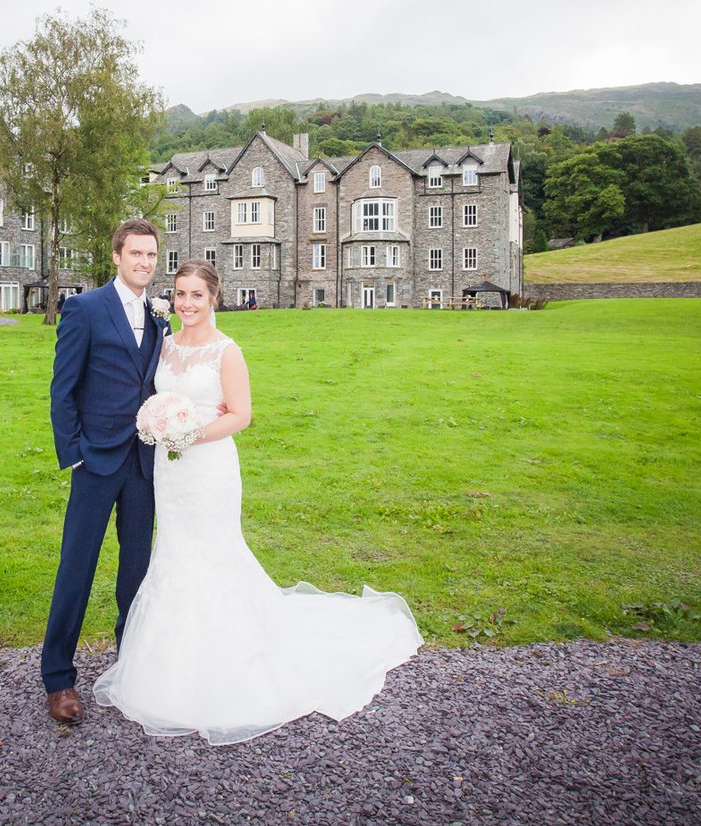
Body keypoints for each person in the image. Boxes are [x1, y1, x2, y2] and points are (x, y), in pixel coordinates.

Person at [94, 260, 421, 744]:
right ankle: (169, 660)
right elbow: (152, 395)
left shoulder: (227, 352)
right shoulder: (164, 345)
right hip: (170, 469)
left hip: (208, 468)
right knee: (175, 551)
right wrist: (158, 425)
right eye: (180, 294)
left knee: (214, 552)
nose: (186, 304)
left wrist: (186, 432)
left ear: (214, 298)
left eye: (196, 296)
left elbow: (241, 415)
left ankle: (230, 659)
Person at [42, 218, 169, 724]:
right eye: (135, 254)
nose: (144, 262)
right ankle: (58, 679)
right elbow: (62, 388)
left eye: (151, 256)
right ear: (116, 256)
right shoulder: (85, 309)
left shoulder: (160, 318)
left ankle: (129, 664)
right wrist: (72, 452)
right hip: (95, 460)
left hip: (142, 463)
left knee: (135, 571)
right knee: (78, 565)